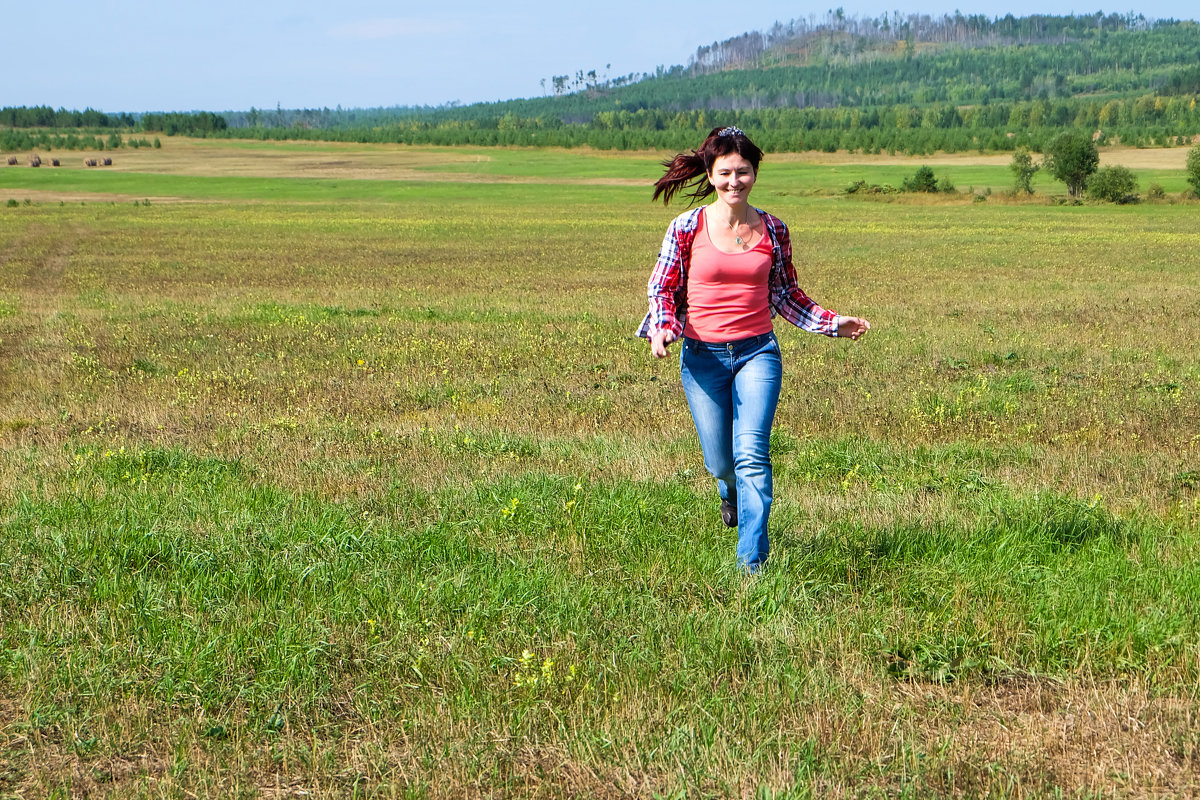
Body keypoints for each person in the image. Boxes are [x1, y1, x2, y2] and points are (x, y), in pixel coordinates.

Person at [636, 125, 871, 572]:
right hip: (702, 356)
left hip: (757, 354)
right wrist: (663, 328)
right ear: (709, 173)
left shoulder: (774, 229)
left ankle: (752, 564)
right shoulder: (687, 227)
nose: (734, 181)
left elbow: (785, 294)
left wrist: (832, 323)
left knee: (752, 454)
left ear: (755, 173)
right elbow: (662, 286)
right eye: (724, 172)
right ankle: (728, 490)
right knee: (720, 461)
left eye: (743, 172)